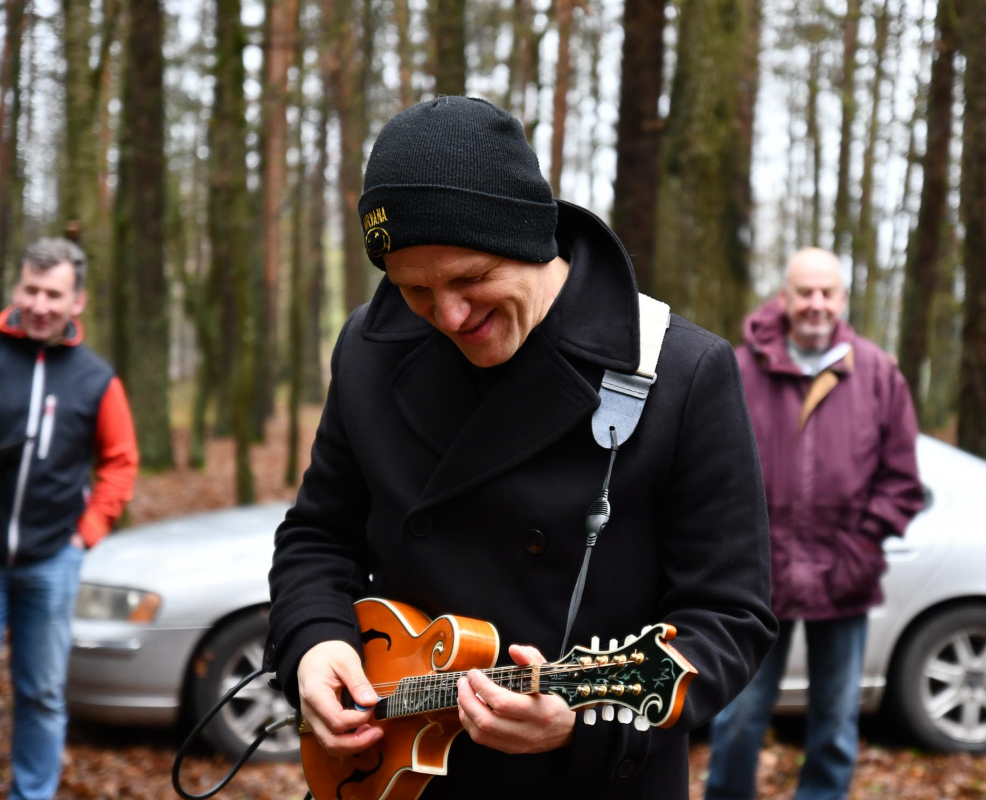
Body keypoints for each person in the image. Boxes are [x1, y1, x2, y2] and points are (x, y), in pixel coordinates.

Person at [265, 96, 777, 798]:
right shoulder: (368, 346)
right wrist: (316, 640)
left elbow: (729, 618)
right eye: (415, 289)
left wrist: (585, 720)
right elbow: (320, 535)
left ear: (531, 237)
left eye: (471, 279)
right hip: (395, 772)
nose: (448, 315)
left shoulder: (681, 372)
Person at [704, 248, 924, 800]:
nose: (816, 304)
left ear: (843, 300)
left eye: (828, 292)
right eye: (806, 292)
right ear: (785, 296)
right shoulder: (738, 369)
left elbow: (901, 480)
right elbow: (709, 475)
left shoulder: (876, 373)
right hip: (759, 582)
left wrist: (860, 545)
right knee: (737, 718)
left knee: (835, 726)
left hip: (844, 578)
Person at [0, 238, 138, 800]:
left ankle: (31, 794)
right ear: (16, 289)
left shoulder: (95, 379)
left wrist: (85, 535)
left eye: (52, 294)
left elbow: (121, 462)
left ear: (76, 301)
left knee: (41, 693)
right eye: (30, 290)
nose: (39, 304)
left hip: (51, 561)